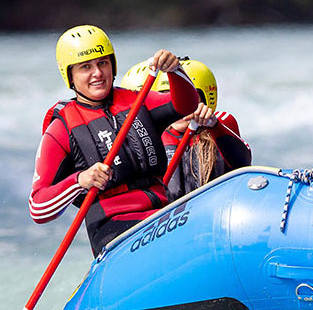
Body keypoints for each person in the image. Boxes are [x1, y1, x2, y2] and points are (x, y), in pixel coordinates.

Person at [29, 24, 204, 256]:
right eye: (85, 67)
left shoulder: (136, 100)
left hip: (162, 212)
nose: (98, 73)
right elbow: (38, 208)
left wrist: (175, 71)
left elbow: (186, 105)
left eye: (103, 63)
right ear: (70, 75)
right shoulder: (61, 129)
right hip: (113, 227)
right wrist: (81, 180)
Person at [119, 58, 252, 201]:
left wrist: (214, 126)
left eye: (189, 101)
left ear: (206, 100)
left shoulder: (222, 123)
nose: (180, 110)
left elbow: (242, 162)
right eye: (172, 101)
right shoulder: (155, 136)